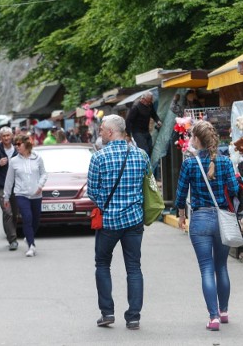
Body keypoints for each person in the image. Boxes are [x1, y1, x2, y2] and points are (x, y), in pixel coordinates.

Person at [175, 120, 239, 331]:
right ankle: (224, 311)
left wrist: (182, 214)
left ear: (196, 139)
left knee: (206, 269)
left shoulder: (190, 163)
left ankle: (213, 318)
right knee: (221, 266)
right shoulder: (226, 162)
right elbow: (235, 189)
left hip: (200, 219)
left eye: (191, 136)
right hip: (223, 219)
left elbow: (181, 193)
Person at [87, 115, 149, 330]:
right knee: (134, 267)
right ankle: (134, 317)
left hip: (109, 222)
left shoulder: (99, 158)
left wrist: (107, 205)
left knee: (102, 264)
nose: (100, 132)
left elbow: (92, 192)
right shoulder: (141, 155)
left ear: (111, 132)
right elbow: (147, 186)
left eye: (102, 129)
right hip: (134, 220)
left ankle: (107, 312)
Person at [3, 134, 47, 257]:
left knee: (35, 221)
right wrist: (6, 197)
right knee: (27, 217)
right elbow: (9, 180)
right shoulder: (14, 161)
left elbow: (44, 174)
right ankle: (31, 246)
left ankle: (29, 236)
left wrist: (40, 185)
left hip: (36, 194)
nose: (16, 147)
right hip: (21, 194)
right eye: (15, 144)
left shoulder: (37, 158)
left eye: (19, 144)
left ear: (26, 144)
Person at [125, 91, 162, 158]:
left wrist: (158, 120)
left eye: (150, 101)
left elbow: (153, 114)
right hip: (137, 132)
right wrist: (128, 134)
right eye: (148, 101)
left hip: (146, 131)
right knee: (145, 150)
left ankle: (149, 165)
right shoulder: (136, 107)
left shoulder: (150, 105)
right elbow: (128, 121)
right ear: (143, 99)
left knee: (150, 149)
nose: (149, 103)